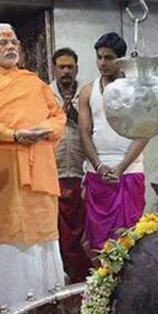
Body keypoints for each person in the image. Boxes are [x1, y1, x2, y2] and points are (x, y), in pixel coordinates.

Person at [0, 23, 66, 308]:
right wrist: (15, 135)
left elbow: (58, 117)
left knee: (43, 240)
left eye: (13, 42)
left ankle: (47, 307)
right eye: (2, 43)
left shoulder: (33, 81)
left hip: (39, 171)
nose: (10, 47)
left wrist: (42, 130)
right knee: (9, 242)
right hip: (3, 174)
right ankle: (13, 309)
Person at [78, 32, 148, 251]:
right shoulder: (88, 91)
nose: (102, 63)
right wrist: (98, 166)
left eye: (108, 58)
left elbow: (144, 133)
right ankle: (101, 283)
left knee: (127, 238)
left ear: (121, 59)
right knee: (96, 239)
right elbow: (84, 133)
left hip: (128, 171)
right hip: (97, 171)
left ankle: (129, 284)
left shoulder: (137, 89)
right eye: (99, 57)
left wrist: (121, 168)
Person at [49, 47, 91, 283]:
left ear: (77, 68)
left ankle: (82, 279)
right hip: (52, 173)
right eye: (61, 67)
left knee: (81, 229)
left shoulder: (86, 93)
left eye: (70, 67)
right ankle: (59, 277)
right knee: (58, 232)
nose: (66, 71)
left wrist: (74, 115)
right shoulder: (44, 93)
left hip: (81, 171)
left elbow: (93, 127)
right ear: (54, 68)